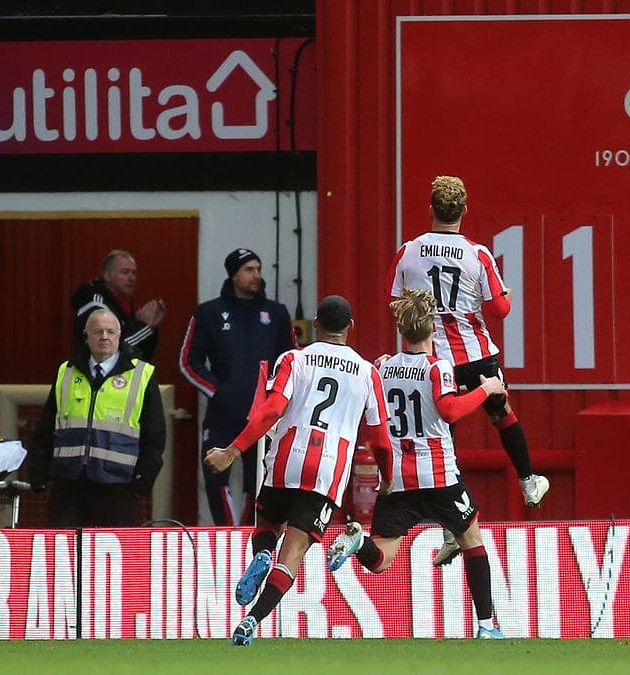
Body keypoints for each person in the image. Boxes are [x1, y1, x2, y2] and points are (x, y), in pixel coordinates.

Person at [203, 295, 389, 647]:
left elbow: (271, 410)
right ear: (351, 327)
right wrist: (389, 477)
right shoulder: (367, 372)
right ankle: (250, 622)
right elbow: (379, 438)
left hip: (286, 460)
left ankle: (261, 552)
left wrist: (231, 451)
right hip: (327, 474)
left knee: (267, 527)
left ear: (316, 324)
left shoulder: (294, 359)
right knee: (292, 557)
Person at [326, 288, 510, 639]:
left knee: (380, 559)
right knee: (472, 538)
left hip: (396, 476)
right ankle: (487, 626)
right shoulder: (437, 367)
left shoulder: (381, 366)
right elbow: (449, 409)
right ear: (433, 331)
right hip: (437, 472)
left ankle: (355, 541)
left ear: (402, 330)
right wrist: (487, 390)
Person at [387, 175, 549, 565]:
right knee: (501, 412)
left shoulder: (409, 251)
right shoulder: (477, 254)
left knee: (444, 441)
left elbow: (394, 301)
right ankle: (529, 483)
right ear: (464, 210)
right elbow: (501, 310)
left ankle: (449, 529)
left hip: (434, 360)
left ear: (431, 208)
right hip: (476, 356)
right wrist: (503, 296)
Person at [180, 248, 296, 525]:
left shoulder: (276, 313)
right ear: (234, 274)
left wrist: (276, 397)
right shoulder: (209, 313)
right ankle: (226, 533)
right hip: (222, 413)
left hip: (263, 416)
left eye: (258, 269)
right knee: (214, 474)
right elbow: (188, 361)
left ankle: (247, 535)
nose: (256, 275)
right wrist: (218, 392)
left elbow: (291, 360)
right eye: (249, 270)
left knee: (257, 481)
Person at [26, 309, 166, 527]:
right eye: (98, 331)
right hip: (68, 484)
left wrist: (142, 483)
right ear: (86, 335)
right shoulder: (67, 371)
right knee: (65, 556)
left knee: (114, 557)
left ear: (119, 336)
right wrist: (39, 473)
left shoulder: (142, 374)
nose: (104, 337)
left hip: (118, 485)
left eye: (111, 331)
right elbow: (46, 427)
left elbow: (155, 436)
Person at [71, 249, 166, 362]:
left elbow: (139, 354)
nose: (131, 278)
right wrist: (146, 326)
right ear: (107, 276)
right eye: (125, 272)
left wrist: (145, 325)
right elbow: (113, 349)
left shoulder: (121, 304)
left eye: (134, 273)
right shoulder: (97, 305)